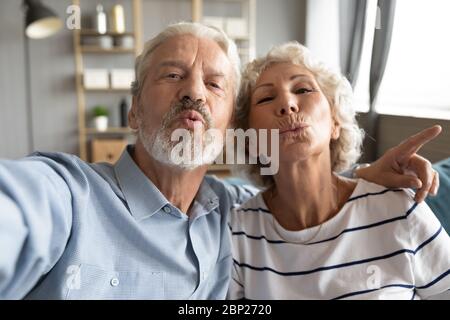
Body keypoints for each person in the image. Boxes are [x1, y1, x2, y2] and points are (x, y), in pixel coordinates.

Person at [0, 23, 442, 300]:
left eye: (214, 84)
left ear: (232, 127)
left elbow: (308, 197)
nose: (192, 92)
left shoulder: (232, 211)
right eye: (173, 75)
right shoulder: (67, 195)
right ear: (133, 109)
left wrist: (361, 181)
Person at [228, 41, 450, 300]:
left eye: (302, 89)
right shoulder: (239, 232)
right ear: (250, 141)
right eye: (266, 98)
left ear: (335, 122)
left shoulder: (399, 208)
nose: (287, 105)